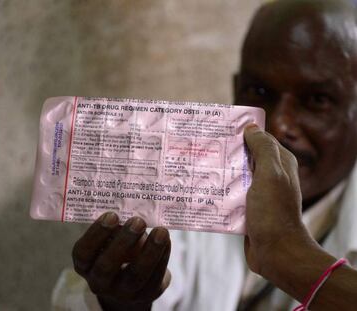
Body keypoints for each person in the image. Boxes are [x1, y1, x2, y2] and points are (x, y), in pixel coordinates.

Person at [52, 0, 357, 310]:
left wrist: (289, 254)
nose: (279, 124)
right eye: (260, 92)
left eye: (317, 100)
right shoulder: (180, 177)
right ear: (236, 89)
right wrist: (117, 300)